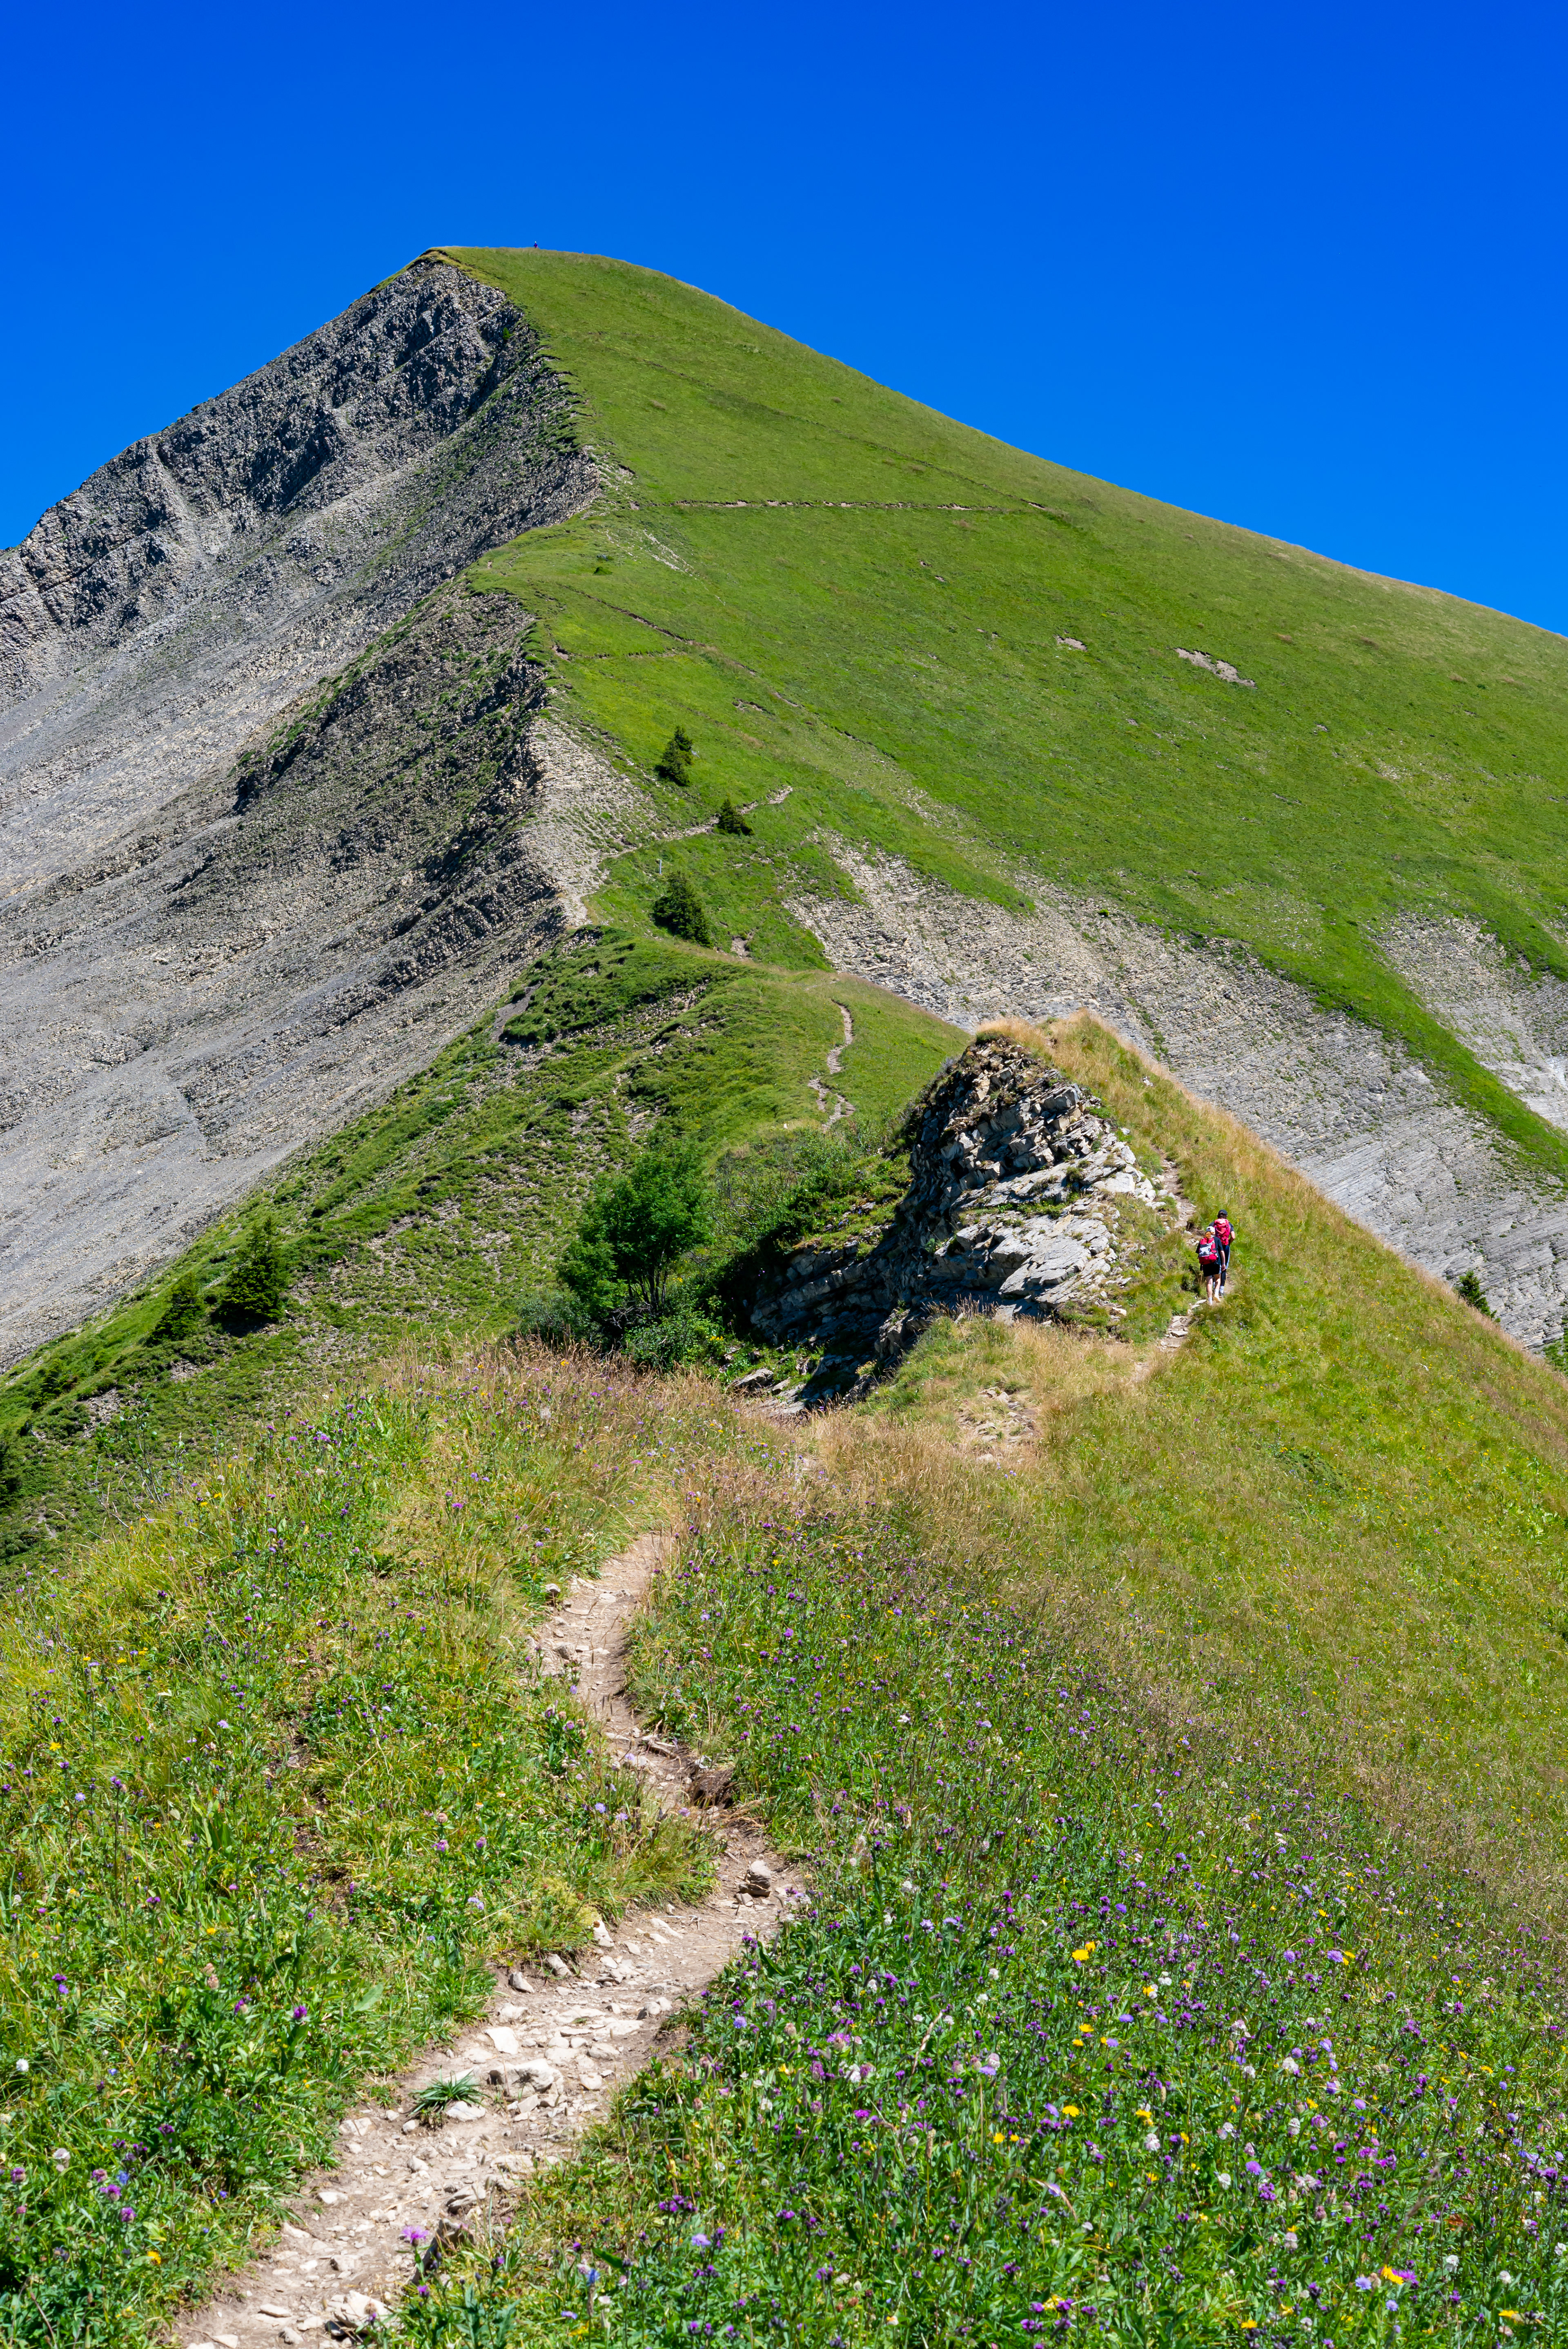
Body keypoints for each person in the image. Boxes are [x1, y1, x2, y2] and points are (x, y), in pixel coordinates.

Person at [1196, 1223, 1222, 1306]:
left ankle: (1210, 1302)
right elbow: (1221, 1251)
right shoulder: (1217, 1240)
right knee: (1218, 1277)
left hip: (1205, 1263)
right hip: (1215, 1261)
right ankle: (1216, 1294)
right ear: (1214, 1232)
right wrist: (1224, 1263)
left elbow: (1198, 1253)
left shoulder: (1202, 1241)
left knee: (1209, 1282)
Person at [1212, 1208, 1234, 1293]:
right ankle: (1222, 1290)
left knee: (1215, 1265)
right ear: (1227, 1216)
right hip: (1225, 1246)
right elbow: (1233, 1236)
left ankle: (1214, 1286)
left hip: (1215, 1247)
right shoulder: (1229, 1225)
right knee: (1224, 1267)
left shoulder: (1214, 1224)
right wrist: (1229, 1243)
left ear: (1218, 1216)